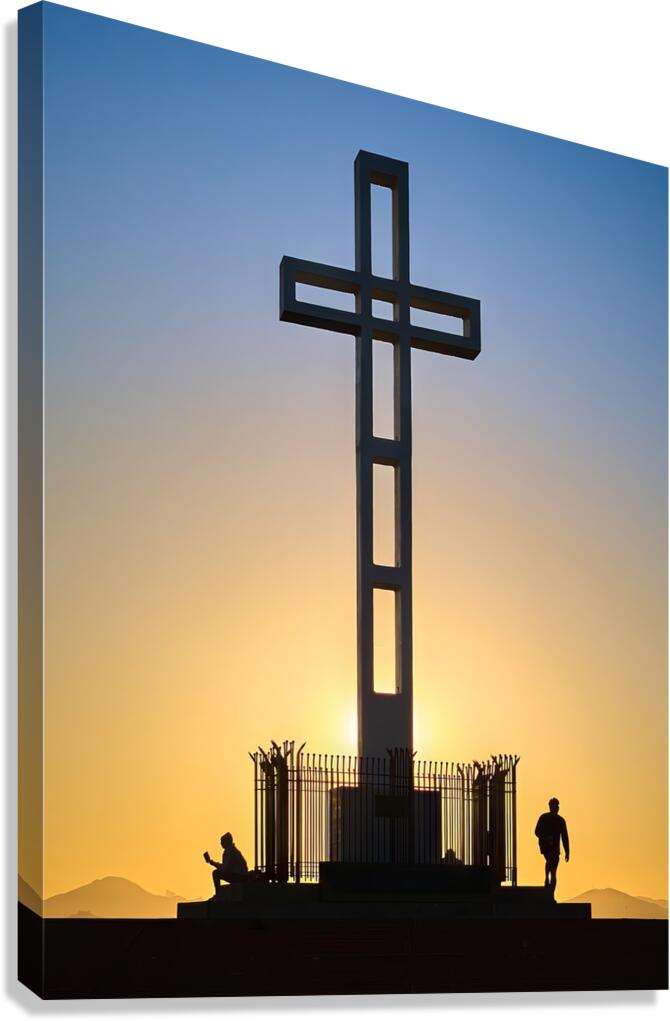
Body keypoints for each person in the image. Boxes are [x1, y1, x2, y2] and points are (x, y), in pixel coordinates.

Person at [534, 797, 569, 894]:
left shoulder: (561, 821)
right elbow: (537, 831)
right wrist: (546, 838)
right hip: (545, 846)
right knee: (549, 860)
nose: (556, 808)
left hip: (555, 848)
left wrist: (567, 852)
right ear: (550, 807)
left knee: (554, 871)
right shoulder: (544, 818)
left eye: (557, 806)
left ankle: (551, 893)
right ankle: (546, 879)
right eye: (553, 806)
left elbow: (565, 837)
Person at [204, 832, 248, 898]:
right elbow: (225, 867)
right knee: (218, 872)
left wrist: (213, 863)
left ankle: (218, 894)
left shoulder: (230, 851)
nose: (221, 843)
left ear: (227, 841)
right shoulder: (232, 850)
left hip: (239, 877)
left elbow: (224, 868)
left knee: (216, 873)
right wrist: (214, 863)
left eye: (222, 841)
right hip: (240, 875)